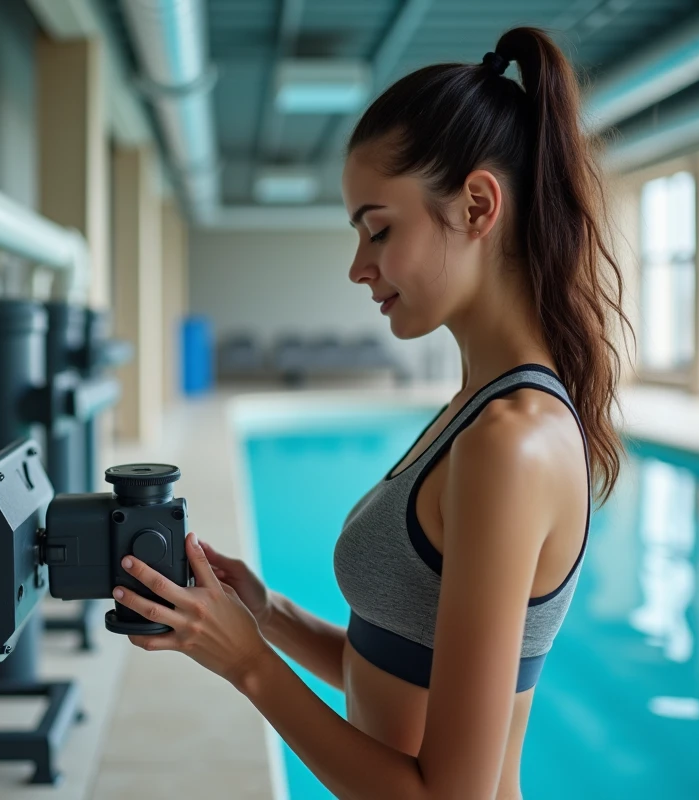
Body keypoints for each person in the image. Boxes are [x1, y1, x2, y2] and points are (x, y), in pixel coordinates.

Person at [110, 25, 630, 800]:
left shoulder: (510, 443)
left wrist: (247, 666)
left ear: (479, 205)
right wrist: (266, 612)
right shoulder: (474, 412)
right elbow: (395, 665)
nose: (359, 267)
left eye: (379, 229)